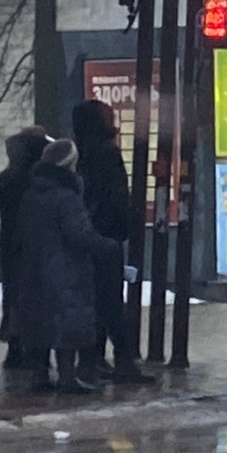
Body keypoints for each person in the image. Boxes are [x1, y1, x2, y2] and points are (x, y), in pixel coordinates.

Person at [19, 138, 125, 394]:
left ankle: (40, 375)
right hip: (65, 270)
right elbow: (78, 235)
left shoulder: (32, 194)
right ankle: (67, 377)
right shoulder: (67, 197)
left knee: (40, 322)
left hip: (34, 269)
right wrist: (108, 246)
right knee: (67, 324)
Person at [71, 100, 154, 385]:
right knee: (111, 302)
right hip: (107, 236)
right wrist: (125, 225)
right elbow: (115, 198)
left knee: (96, 300)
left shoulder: (81, 153)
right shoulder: (107, 153)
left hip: (89, 236)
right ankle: (123, 360)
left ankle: (93, 358)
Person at [0, 126, 50, 377]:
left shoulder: (6, 178)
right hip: (34, 246)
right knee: (36, 297)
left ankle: (14, 347)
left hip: (10, 245)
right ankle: (35, 351)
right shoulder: (37, 180)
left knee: (14, 295)